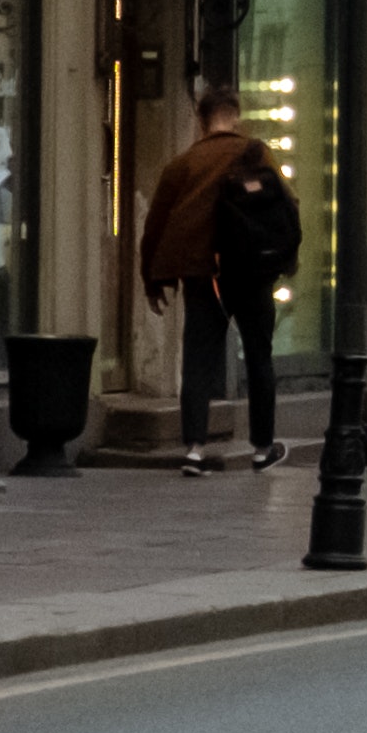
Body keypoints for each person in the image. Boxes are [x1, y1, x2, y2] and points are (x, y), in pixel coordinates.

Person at [139, 122, 302, 471]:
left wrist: (152, 279)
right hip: (254, 274)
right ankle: (262, 449)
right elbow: (288, 204)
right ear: (236, 117)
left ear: (200, 121)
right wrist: (283, 260)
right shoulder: (258, 155)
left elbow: (156, 223)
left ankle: (195, 450)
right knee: (260, 358)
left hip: (204, 275)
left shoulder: (184, 163)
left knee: (198, 359)